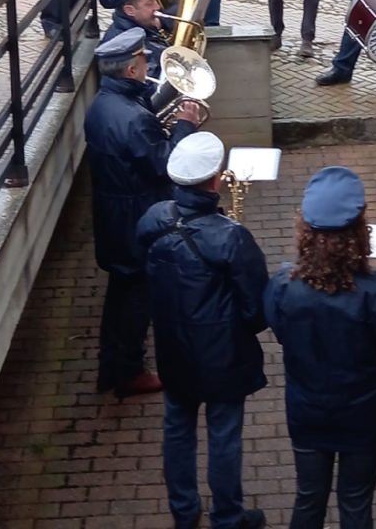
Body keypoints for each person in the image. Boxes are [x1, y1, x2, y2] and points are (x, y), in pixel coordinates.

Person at [264, 166, 376, 529]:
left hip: (308, 410)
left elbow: (280, 329)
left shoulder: (284, 285)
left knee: (308, 499)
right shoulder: (375, 291)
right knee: (355, 504)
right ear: (359, 232)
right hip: (364, 415)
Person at [137, 132, 269, 529]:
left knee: (177, 428)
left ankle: (184, 510)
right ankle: (228, 517)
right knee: (224, 435)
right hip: (223, 354)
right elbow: (256, 309)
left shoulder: (155, 218)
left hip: (174, 347)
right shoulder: (231, 236)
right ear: (214, 182)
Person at [84, 28, 202, 397]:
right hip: (135, 215)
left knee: (119, 294)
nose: (150, 63)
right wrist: (185, 125)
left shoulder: (102, 103)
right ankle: (130, 372)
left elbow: (137, 135)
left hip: (112, 214)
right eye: (144, 61)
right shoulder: (134, 118)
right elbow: (166, 164)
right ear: (132, 71)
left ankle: (110, 367)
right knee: (137, 298)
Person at [101, 0, 170, 82]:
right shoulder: (126, 44)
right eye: (150, 3)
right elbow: (149, 88)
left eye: (155, 1)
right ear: (130, 11)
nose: (157, 7)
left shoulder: (141, 24)